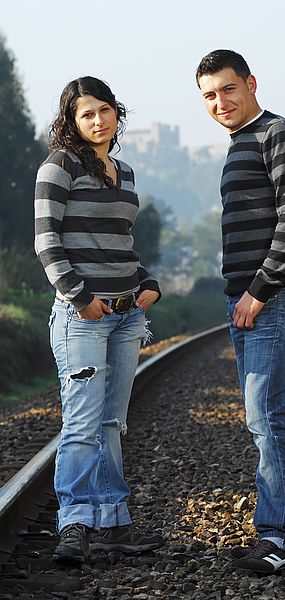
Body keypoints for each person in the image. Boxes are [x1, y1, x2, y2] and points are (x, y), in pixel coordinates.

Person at [195, 50, 285, 573]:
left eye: (228, 89)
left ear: (250, 83)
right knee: (274, 415)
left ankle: (282, 539)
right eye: (208, 96)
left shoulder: (279, 135)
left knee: (267, 415)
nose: (220, 102)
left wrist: (259, 290)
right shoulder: (239, 143)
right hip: (247, 298)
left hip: (273, 296)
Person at [34, 76, 164, 565]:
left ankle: (112, 522)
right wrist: (80, 297)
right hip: (82, 317)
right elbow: (48, 242)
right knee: (82, 423)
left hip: (128, 316)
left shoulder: (125, 171)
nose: (97, 120)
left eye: (104, 110)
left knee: (111, 422)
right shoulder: (59, 166)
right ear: (71, 121)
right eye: (85, 113)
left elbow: (119, 243)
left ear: (116, 113)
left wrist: (148, 282)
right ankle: (74, 523)